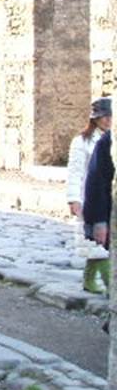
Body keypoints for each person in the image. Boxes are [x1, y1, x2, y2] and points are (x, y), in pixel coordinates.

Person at [68, 97, 111, 292]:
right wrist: (73, 198)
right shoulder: (82, 141)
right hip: (89, 195)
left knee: (96, 244)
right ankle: (110, 284)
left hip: (105, 196)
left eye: (110, 116)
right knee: (96, 240)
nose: (108, 120)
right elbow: (75, 171)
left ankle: (89, 278)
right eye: (104, 116)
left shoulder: (111, 140)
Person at [82, 121, 114, 294]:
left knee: (98, 247)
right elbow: (95, 180)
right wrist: (99, 221)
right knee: (101, 246)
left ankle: (92, 279)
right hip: (102, 206)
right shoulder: (106, 143)